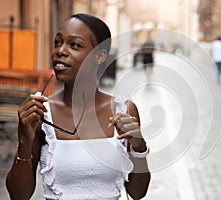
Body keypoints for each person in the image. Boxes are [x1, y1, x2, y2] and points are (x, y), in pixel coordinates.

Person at [6, 13, 150, 200]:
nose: (60, 51)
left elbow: (137, 193)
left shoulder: (124, 110)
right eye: (57, 42)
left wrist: (139, 146)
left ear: (100, 56)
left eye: (74, 45)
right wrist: (25, 140)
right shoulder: (42, 113)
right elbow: (18, 195)